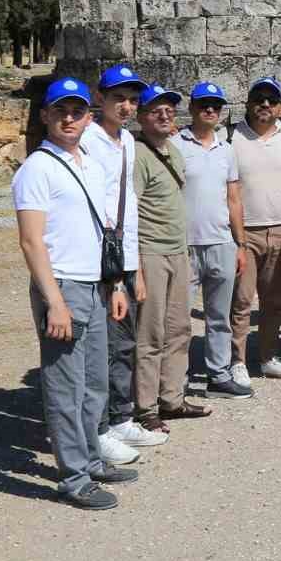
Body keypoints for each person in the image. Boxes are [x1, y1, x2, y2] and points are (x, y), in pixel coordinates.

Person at [12, 77, 136, 509]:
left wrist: (116, 284)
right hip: (63, 285)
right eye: (60, 111)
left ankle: (91, 459)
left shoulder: (90, 162)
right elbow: (31, 242)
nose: (69, 118)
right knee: (66, 387)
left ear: (88, 115)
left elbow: (105, 229)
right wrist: (55, 303)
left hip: (96, 284)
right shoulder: (37, 169)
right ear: (45, 115)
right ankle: (74, 478)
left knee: (95, 384)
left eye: (77, 111)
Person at [82, 65, 160, 464]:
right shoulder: (89, 140)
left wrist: (136, 268)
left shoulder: (127, 141)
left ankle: (120, 417)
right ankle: (101, 428)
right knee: (105, 348)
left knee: (125, 342)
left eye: (132, 100)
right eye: (119, 98)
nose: (126, 106)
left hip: (123, 257)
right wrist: (113, 276)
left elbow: (128, 209)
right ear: (100, 98)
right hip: (100, 261)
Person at [131, 85, 210, 434]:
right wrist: (134, 268)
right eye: (155, 110)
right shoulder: (138, 156)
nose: (164, 115)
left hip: (178, 251)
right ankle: (146, 407)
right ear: (141, 117)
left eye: (169, 109)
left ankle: (172, 397)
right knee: (150, 333)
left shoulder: (174, 153)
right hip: (150, 252)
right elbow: (129, 211)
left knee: (179, 328)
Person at [174, 82, 251, 399]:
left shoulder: (226, 149)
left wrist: (241, 244)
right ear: (192, 108)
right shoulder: (175, 145)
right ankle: (175, 379)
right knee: (177, 318)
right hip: (185, 245)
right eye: (204, 104)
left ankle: (218, 375)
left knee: (219, 317)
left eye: (216, 106)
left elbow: (234, 199)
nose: (210, 110)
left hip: (221, 243)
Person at [225, 77, 281, 382]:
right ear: (248, 104)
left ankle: (268, 356)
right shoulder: (230, 138)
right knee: (242, 301)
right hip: (243, 232)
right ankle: (237, 361)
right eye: (259, 99)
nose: (265, 105)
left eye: (271, 100)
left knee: (273, 299)